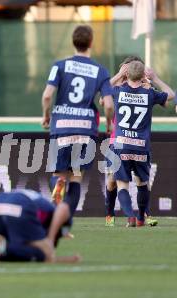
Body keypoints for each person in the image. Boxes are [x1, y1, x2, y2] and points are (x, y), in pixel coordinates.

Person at [41, 25, 114, 220]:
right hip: (85, 129)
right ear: (91, 43)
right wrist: (108, 124)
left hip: (62, 126)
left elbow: (47, 96)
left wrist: (46, 115)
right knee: (75, 177)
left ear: (73, 42)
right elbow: (108, 104)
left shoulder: (59, 65)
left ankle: (57, 184)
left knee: (59, 172)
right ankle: (64, 225)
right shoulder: (100, 70)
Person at [112, 60, 175, 227]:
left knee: (122, 185)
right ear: (143, 75)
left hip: (121, 145)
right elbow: (171, 95)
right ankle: (141, 217)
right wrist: (155, 78)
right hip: (141, 146)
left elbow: (102, 89)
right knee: (142, 183)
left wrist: (119, 75)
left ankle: (130, 216)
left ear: (127, 74)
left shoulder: (118, 91)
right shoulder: (150, 94)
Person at [103, 56, 158, 227]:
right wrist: (119, 76)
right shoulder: (118, 87)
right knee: (112, 180)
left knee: (142, 181)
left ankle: (144, 214)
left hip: (135, 140)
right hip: (116, 140)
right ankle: (110, 214)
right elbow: (101, 99)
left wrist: (148, 83)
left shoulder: (144, 87)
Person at [0, 189, 81, 265]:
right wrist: (51, 239)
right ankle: (2, 249)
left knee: (5, 248)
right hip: (18, 206)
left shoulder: (40, 202)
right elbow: (64, 208)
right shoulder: (52, 213)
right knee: (42, 253)